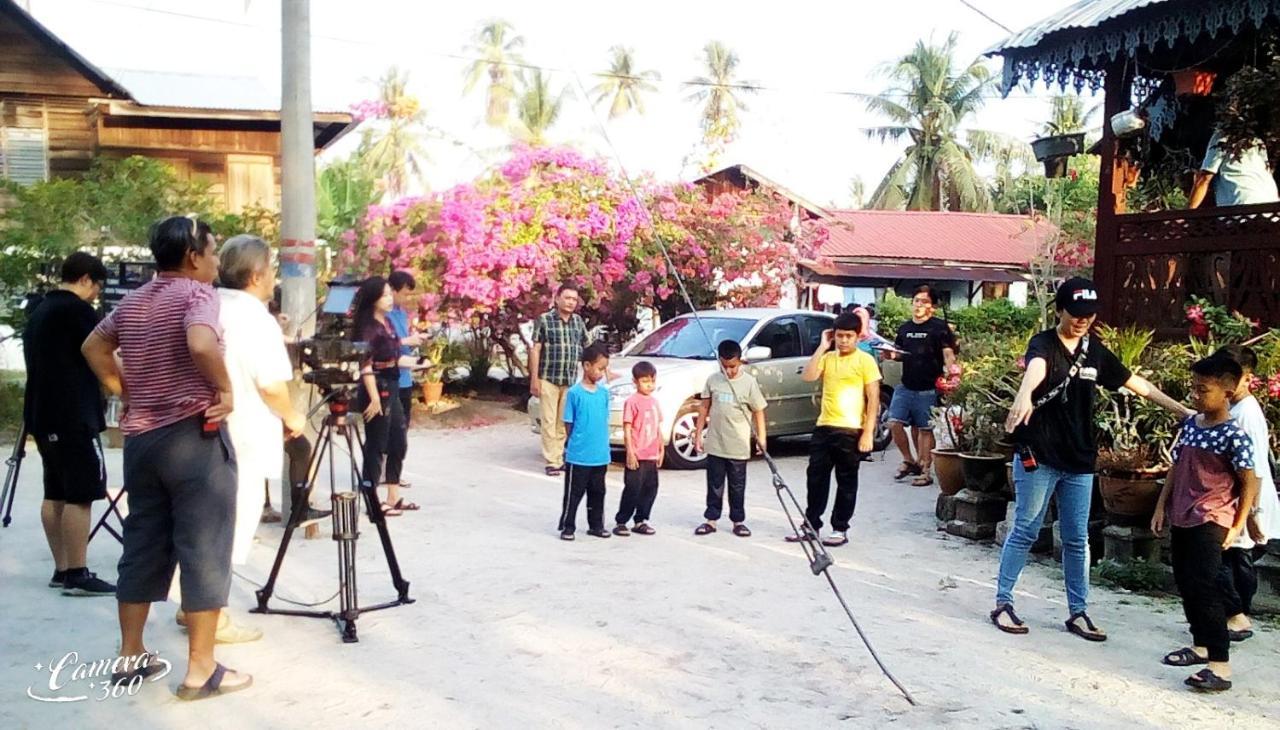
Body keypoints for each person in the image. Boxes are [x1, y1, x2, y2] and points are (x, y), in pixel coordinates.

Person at [81, 216, 248, 699]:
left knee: (143, 542)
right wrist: (224, 387)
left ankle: (130, 654)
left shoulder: (134, 301)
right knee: (204, 547)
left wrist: (125, 391)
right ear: (194, 256)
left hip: (142, 442)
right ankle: (201, 668)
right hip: (192, 438)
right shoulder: (197, 295)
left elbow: (93, 345)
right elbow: (200, 341)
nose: (216, 262)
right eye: (213, 252)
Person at [993, 277, 1192, 642]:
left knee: (1076, 538)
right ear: (1059, 310)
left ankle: (1078, 611)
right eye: (1075, 314)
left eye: (1089, 314)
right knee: (1026, 528)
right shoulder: (1044, 344)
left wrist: (1182, 410)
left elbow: (1135, 383)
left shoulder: (1094, 351)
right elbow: (1035, 368)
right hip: (1039, 454)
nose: (1082, 321)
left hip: (1080, 461)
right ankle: (1003, 603)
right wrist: (1023, 394)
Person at [176, 235, 310, 642]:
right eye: (271, 270)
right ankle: (213, 618)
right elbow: (270, 385)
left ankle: (191, 607)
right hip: (244, 435)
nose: (274, 278)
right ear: (255, 275)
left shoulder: (206, 304)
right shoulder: (256, 319)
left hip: (198, 432)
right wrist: (293, 417)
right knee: (230, 529)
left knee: (202, 526)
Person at [1152, 356, 1259, 692]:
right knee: (1186, 582)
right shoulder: (1191, 425)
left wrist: (1239, 523)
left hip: (1212, 518)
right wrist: (1160, 506)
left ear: (1227, 391)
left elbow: (1249, 481)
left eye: (1203, 389)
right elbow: (1176, 466)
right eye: (1193, 388)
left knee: (1207, 586)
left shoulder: (1234, 436)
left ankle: (1220, 665)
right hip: (1182, 514)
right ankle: (1200, 645)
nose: (1196, 395)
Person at [22, 252, 115, 596]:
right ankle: (78, 571)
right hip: (74, 413)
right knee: (82, 493)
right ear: (87, 279)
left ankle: (61, 567)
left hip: (41, 413)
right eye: (97, 287)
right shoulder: (77, 312)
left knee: (55, 491)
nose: (96, 294)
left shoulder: (40, 310)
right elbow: (103, 352)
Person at [786, 312, 880, 547]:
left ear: (858, 337)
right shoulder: (828, 358)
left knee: (846, 480)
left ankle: (840, 528)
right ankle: (811, 524)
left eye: (849, 336)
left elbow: (873, 398)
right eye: (840, 336)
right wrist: (822, 346)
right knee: (815, 478)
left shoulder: (865, 361)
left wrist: (868, 432)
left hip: (850, 429)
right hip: (824, 426)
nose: (844, 340)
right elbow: (808, 376)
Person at [1213, 345, 1279, 641]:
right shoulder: (1234, 409)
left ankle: (1238, 616)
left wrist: (1249, 513)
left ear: (1246, 377)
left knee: (1235, 558)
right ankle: (1234, 614)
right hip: (1235, 498)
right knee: (1233, 558)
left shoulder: (1246, 414)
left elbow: (1254, 470)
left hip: (1245, 499)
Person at [352, 277, 424, 516]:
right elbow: (366, 364)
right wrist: (373, 398)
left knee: (398, 441)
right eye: (384, 295)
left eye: (389, 294)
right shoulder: (367, 327)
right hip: (376, 388)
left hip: (392, 385)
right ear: (373, 299)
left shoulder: (387, 324)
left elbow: (394, 358)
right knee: (376, 444)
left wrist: (419, 363)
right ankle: (372, 502)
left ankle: (393, 496)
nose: (390, 298)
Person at [692, 340, 767, 538]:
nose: (729, 371)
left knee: (737, 485)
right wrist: (698, 434)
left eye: (733, 366)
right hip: (716, 443)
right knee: (714, 484)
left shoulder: (749, 383)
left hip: (738, 445)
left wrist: (761, 438)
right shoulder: (713, 380)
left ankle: (738, 521)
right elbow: (704, 408)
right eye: (725, 367)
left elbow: (759, 411)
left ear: (740, 361)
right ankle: (711, 519)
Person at [885, 285, 957, 487]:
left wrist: (952, 374)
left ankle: (925, 470)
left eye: (924, 302)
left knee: (925, 430)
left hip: (929, 387)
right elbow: (899, 353)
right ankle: (909, 460)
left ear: (932, 307)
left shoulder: (939, 327)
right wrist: (890, 354)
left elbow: (948, 353)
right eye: (916, 300)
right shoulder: (904, 328)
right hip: (906, 385)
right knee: (893, 423)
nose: (919, 305)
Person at [530, 284, 591, 476]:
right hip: (548, 377)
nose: (571, 302)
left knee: (563, 421)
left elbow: (588, 347)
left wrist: (605, 370)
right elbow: (536, 350)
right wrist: (534, 379)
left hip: (570, 379)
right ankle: (552, 461)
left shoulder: (578, 322)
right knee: (548, 420)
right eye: (567, 298)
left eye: (574, 299)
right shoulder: (545, 320)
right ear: (557, 299)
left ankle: (559, 456)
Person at [557, 344, 612, 541]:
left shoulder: (604, 393)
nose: (602, 373)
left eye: (604, 368)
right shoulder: (574, 393)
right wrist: (574, 444)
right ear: (586, 366)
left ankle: (596, 525)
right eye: (599, 368)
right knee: (574, 493)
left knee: (598, 492)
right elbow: (569, 423)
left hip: (600, 455)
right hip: (579, 455)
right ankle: (568, 525)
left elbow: (603, 420)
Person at [384, 271, 425, 492]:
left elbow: (401, 342)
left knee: (402, 428)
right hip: (390, 377)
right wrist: (407, 340)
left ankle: (394, 472)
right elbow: (384, 344)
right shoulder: (385, 316)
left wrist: (414, 340)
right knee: (391, 430)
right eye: (405, 294)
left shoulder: (401, 314)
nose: (407, 299)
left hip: (405, 377)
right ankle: (387, 474)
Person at [613, 361, 662, 536]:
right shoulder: (632, 402)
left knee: (651, 487)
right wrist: (630, 452)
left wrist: (661, 449)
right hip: (637, 453)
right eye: (644, 381)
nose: (649, 385)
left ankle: (641, 520)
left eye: (652, 381)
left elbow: (657, 427)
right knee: (632, 487)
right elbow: (627, 428)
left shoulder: (655, 402)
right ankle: (621, 521)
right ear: (635, 382)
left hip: (651, 454)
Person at [1189, 129, 1279, 209]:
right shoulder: (1257, 140)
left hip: (1241, 206)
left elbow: (1204, 179)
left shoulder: (1222, 135)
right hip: (1271, 205)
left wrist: (1186, 214)